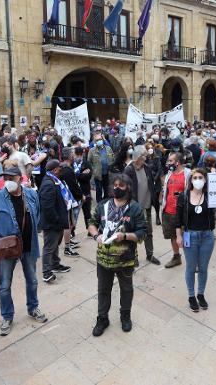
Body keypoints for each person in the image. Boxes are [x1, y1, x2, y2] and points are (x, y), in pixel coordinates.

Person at [0, 167, 47, 336]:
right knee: (4, 285)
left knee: (32, 280)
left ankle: (33, 308)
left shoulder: (31, 194)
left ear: (20, 178)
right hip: (6, 250)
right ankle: (7, 316)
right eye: (5, 178)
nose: (8, 181)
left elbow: (38, 214)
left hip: (29, 246)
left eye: (11, 177)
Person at [87, 174, 147, 336]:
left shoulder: (135, 208)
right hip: (104, 260)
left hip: (125, 260)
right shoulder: (103, 205)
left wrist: (126, 236)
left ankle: (125, 316)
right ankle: (102, 318)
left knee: (126, 289)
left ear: (128, 188)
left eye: (121, 186)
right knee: (103, 290)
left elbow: (143, 232)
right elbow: (91, 223)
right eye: (115, 185)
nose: (117, 188)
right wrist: (95, 236)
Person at [175, 168, 216, 312]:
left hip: (207, 236)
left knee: (203, 268)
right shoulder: (184, 196)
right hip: (190, 236)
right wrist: (178, 236)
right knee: (191, 268)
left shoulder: (210, 195)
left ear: (205, 180)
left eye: (201, 177)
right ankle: (191, 295)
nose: (198, 180)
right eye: (195, 177)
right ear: (190, 180)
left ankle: (201, 294)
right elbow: (177, 218)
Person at [124, 145, 161, 265]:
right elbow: (125, 190)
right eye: (145, 155)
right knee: (134, 233)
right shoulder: (129, 170)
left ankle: (150, 255)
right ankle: (133, 257)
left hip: (147, 205)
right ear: (139, 157)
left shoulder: (147, 167)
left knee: (148, 232)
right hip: (134, 208)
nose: (147, 156)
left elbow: (151, 184)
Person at [38, 159, 71, 283]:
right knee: (49, 247)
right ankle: (47, 273)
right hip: (51, 223)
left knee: (54, 245)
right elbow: (47, 207)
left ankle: (55, 265)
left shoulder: (53, 180)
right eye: (60, 169)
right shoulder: (48, 183)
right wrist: (56, 220)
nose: (61, 171)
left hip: (56, 221)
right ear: (55, 170)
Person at [162, 152, 191, 268]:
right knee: (173, 236)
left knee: (187, 237)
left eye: (170, 161)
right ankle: (176, 257)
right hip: (168, 211)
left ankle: (192, 260)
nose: (168, 163)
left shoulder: (188, 174)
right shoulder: (169, 174)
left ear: (177, 162)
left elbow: (203, 179)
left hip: (182, 213)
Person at [88, 132, 114, 202]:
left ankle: (105, 200)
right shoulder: (92, 150)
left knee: (106, 188)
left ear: (103, 139)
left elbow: (112, 158)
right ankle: (99, 202)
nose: (99, 141)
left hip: (107, 173)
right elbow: (89, 162)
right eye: (97, 140)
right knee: (99, 190)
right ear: (95, 141)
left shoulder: (108, 148)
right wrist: (93, 170)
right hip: (98, 174)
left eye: (100, 139)